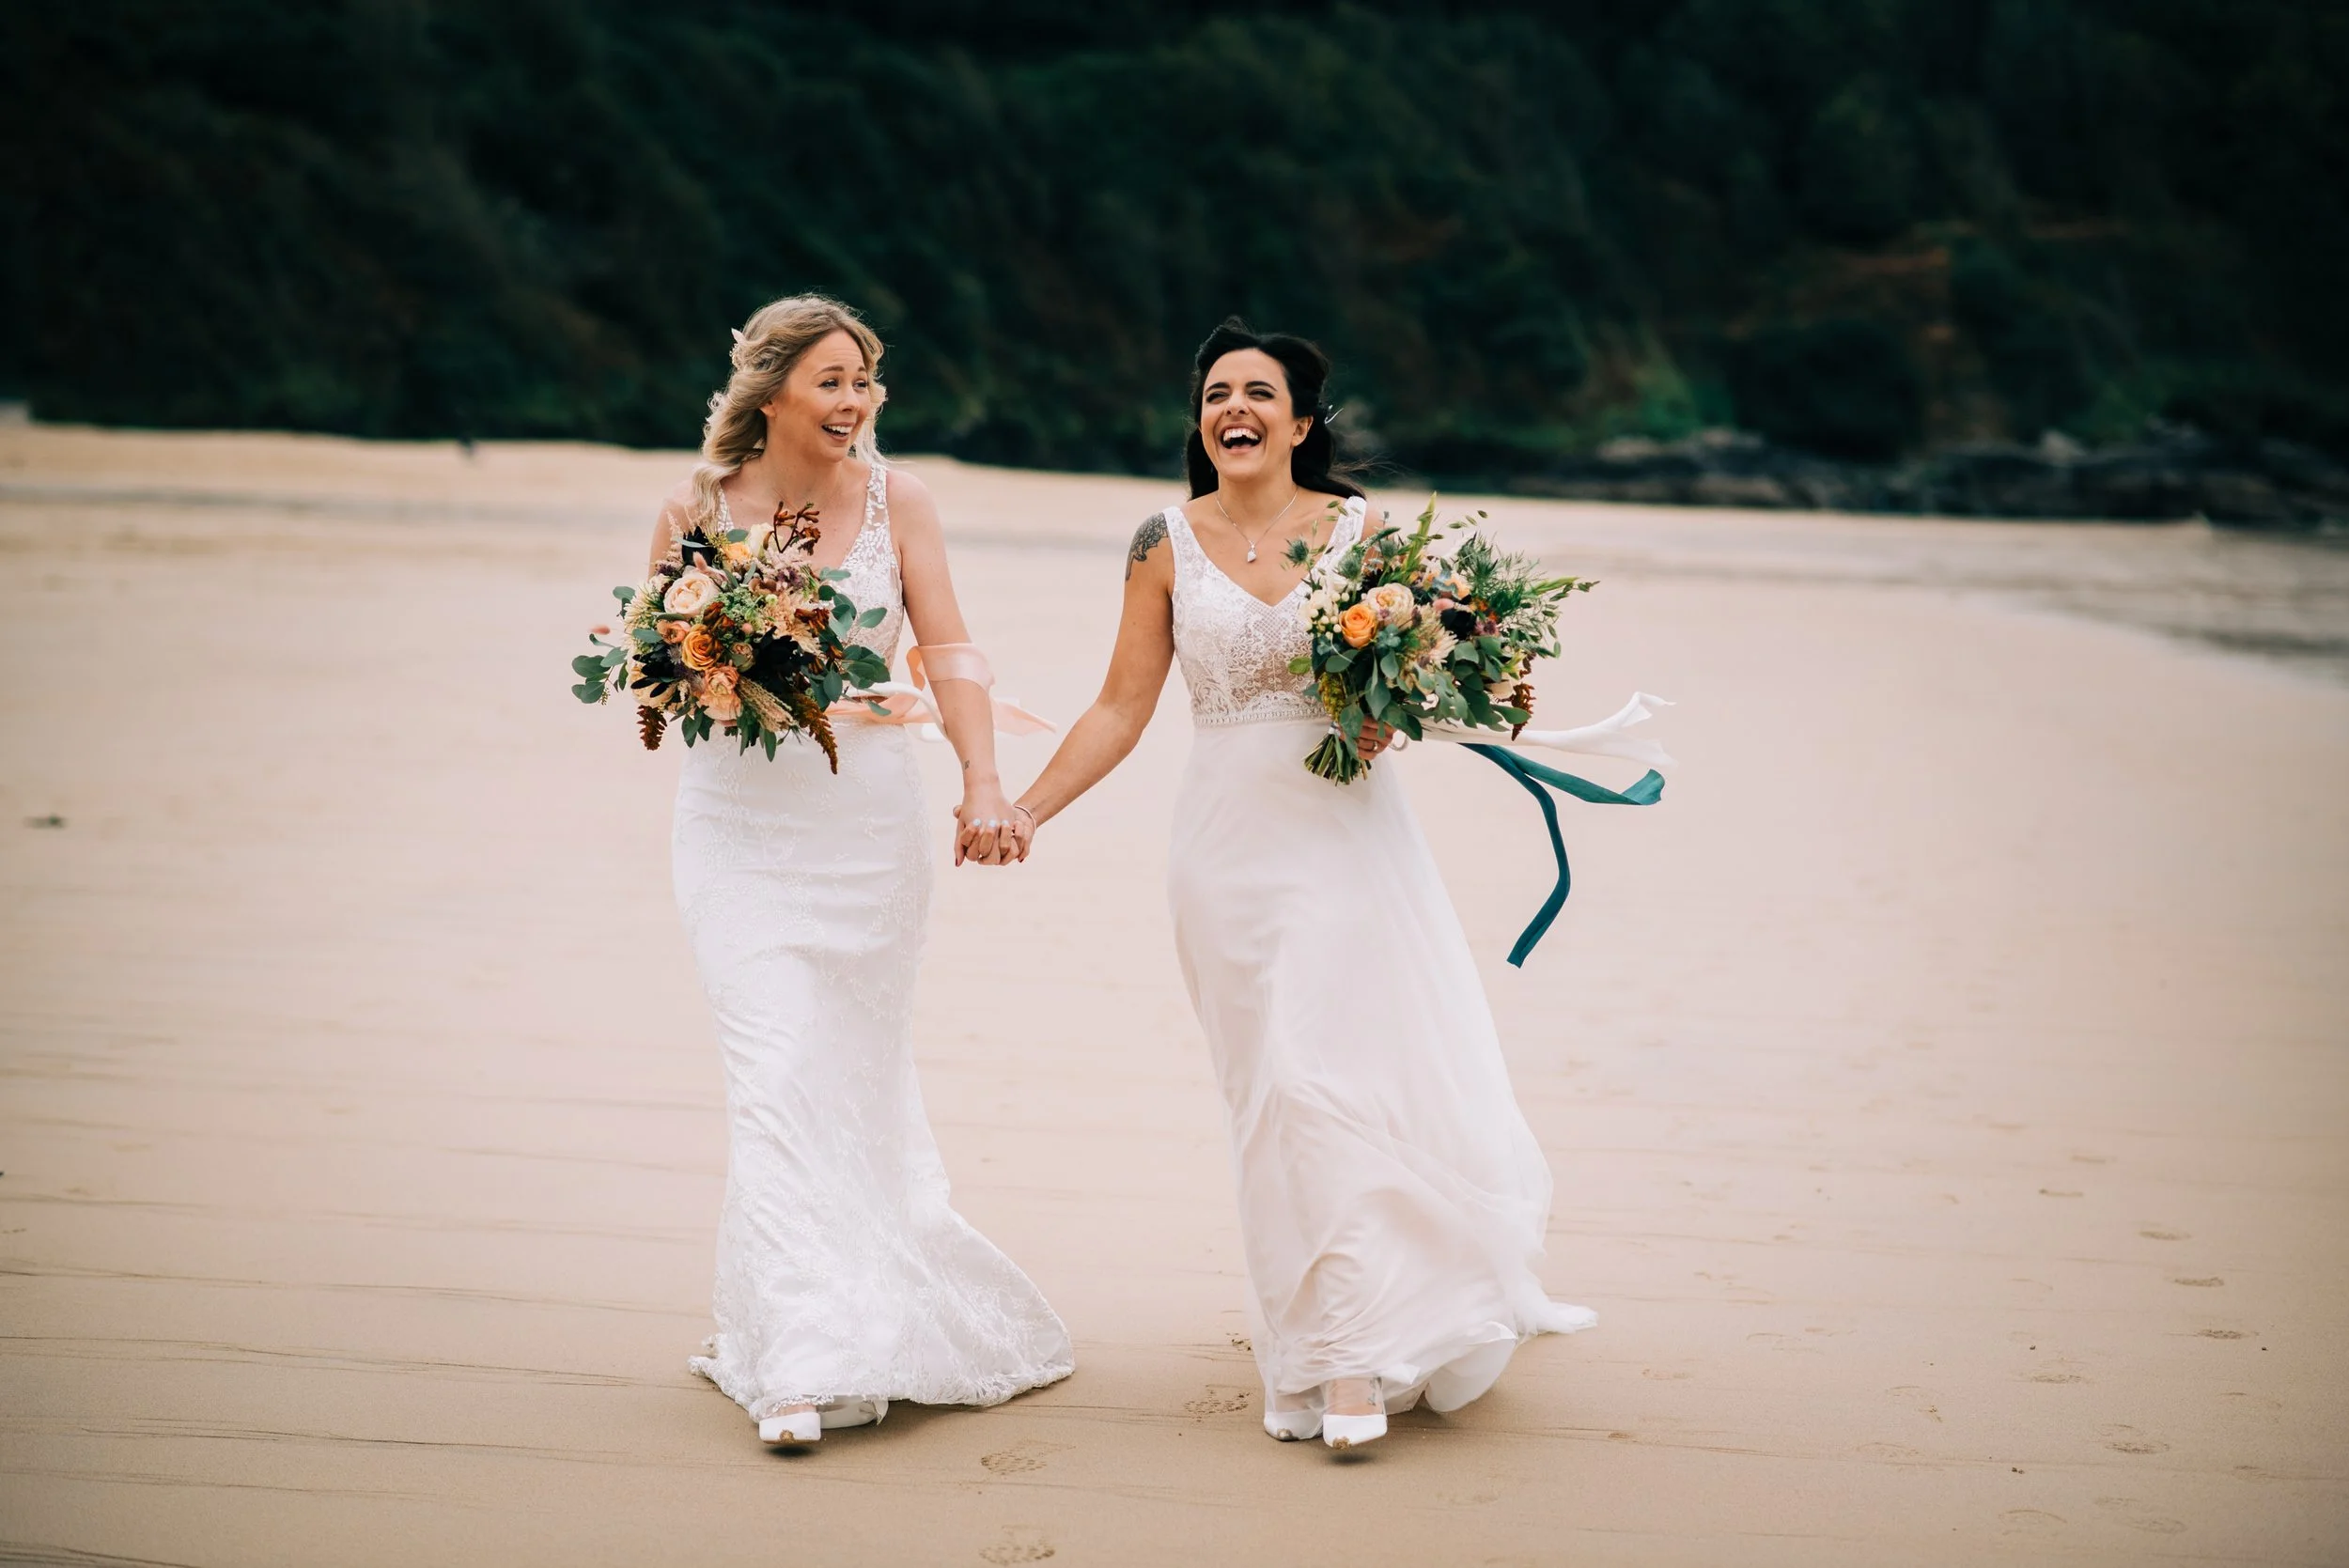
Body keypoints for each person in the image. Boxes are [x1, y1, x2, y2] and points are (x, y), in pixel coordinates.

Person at [974, 318, 1593, 1451]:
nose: (1232, 409)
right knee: (1269, 1100)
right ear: (1201, 421)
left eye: (1256, 392)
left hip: (1347, 841)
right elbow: (1121, 705)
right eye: (1215, 393)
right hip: (1224, 850)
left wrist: (1392, 711)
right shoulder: (1160, 541)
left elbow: (1437, 668)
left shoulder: (1362, 535)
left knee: (1333, 1083)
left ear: (1300, 424)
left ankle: (1351, 1360)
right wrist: (1022, 806)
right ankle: (1306, 1339)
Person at [660, 295, 1071, 1446]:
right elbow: (655, 670)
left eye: (866, 381)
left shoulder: (903, 501)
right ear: (773, 390)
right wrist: (726, 665)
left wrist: (984, 782)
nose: (856, 402)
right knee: (773, 1068)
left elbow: (948, 647)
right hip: (736, 830)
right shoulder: (694, 509)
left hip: (868, 831)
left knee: (848, 1072)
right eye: (834, 380)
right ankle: (794, 1362)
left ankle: (859, 1306)